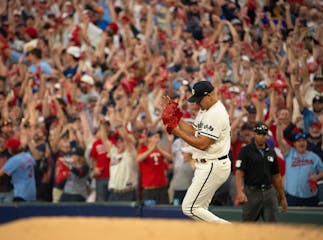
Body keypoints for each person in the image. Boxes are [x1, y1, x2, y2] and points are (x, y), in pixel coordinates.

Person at [167, 80, 232, 223]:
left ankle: (230, 231)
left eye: (199, 100)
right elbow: (194, 131)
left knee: (189, 208)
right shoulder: (206, 109)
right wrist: (177, 118)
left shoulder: (216, 113)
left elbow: (203, 144)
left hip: (213, 164)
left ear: (209, 95)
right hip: (206, 164)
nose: (197, 104)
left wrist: (177, 131)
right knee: (200, 209)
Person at [234, 122, 288, 222]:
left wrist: (283, 196)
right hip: (252, 192)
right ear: (254, 134)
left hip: (269, 191)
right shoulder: (245, 150)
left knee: (272, 225)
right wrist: (239, 192)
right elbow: (239, 173)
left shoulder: (271, 151)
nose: (261, 136)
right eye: (259, 134)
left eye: (263, 134)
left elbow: (276, 176)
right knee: (247, 224)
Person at [276, 124, 323, 206]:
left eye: (304, 141)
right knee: (291, 218)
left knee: (311, 218)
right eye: (299, 141)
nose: (302, 143)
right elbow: (280, 139)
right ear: (294, 144)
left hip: (310, 196)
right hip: (292, 196)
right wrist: (279, 125)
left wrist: (317, 177)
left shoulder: (314, 157)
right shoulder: (289, 153)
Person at [0, 138, 36, 202]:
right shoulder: (28, 155)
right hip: (31, 193)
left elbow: (1, 173)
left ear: (10, 149)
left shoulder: (14, 160)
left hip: (21, 194)